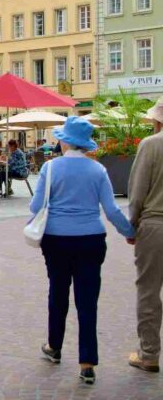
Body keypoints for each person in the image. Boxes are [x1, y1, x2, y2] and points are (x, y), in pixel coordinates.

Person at [31, 116, 134, 385]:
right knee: (87, 300)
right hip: (91, 238)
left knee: (58, 292)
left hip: (56, 237)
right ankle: (87, 363)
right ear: (85, 144)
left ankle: (54, 347)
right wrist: (129, 232)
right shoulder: (97, 170)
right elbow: (111, 209)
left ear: (65, 141)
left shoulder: (50, 168)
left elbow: (34, 207)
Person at [127, 97, 163, 373]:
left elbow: (137, 192)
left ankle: (149, 353)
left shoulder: (151, 145)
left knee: (149, 291)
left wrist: (132, 224)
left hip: (155, 226)